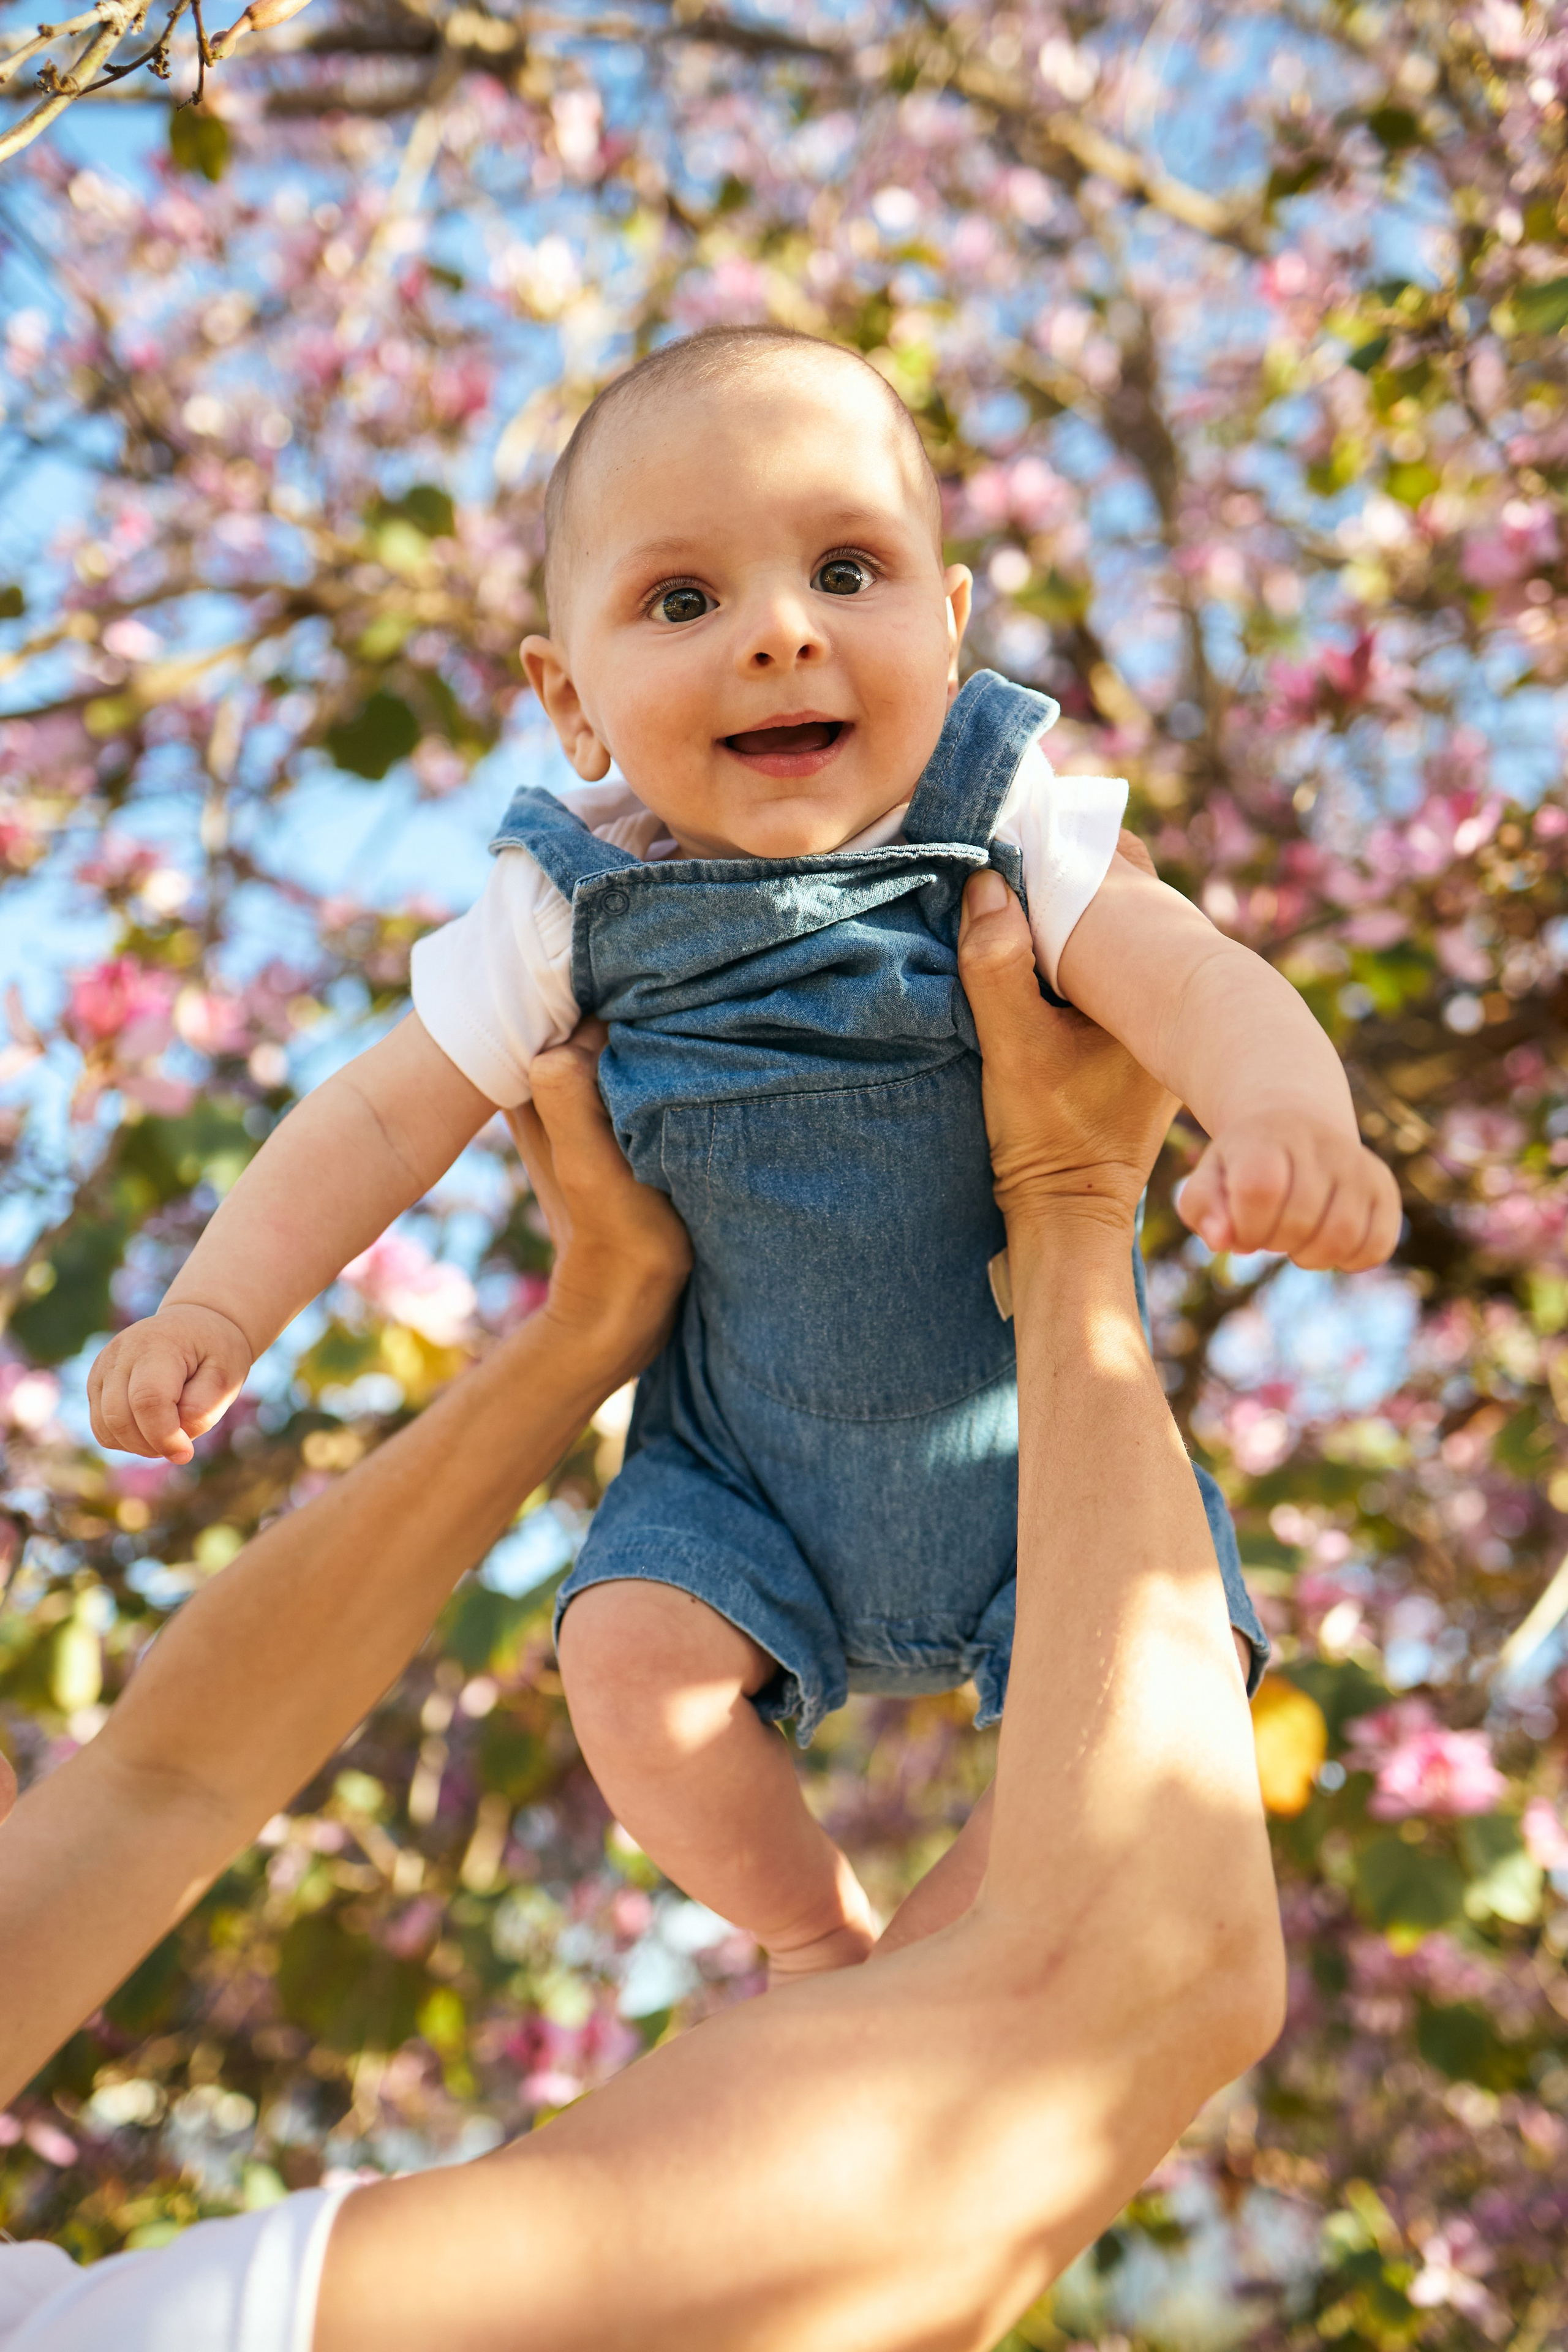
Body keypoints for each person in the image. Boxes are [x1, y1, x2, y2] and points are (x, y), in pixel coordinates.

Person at [82, 326, 1378, 1983]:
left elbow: (1185, 970)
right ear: (571, 700)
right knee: (622, 1658)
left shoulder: (1006, 823)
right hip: (737, 1487)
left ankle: (950, 1982)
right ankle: (808, 1934)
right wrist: (217, 1313)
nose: (779, 634)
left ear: (952, 619)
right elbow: (378, 1114)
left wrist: (1284, 1112)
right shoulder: (560, 910)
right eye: (682, 602)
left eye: (847, 569)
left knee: (1155, 1723)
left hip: (1048, 1460)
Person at [1, 876, 1285, 2350]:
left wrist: (590, 1323)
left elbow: (163, 1779)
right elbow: (1141, 1974)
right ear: (568, 697)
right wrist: (1068, 1208)